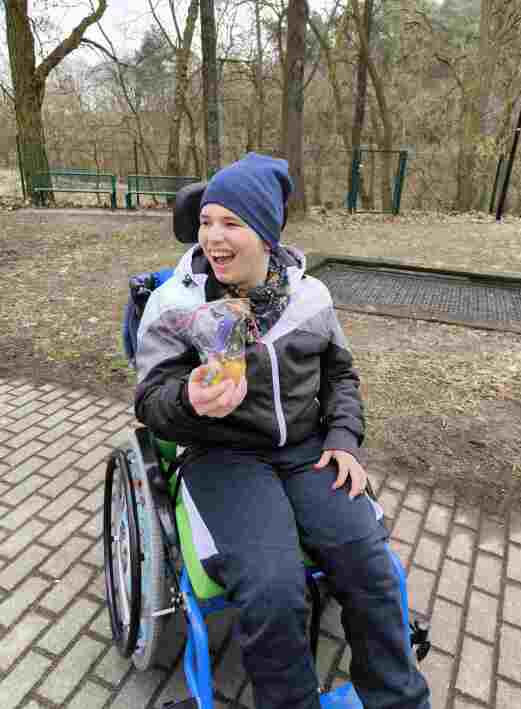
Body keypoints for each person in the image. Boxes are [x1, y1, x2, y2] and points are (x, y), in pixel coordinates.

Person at [134, 153, 430, 709]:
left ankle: (400, 699)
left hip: (306, 449)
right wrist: (191, 400)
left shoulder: (311, 297)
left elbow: (341, 373)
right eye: (206, 221)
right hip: (220, 457)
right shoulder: (174, 304)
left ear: (267, 233)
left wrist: (343, 436)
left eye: (232, 223)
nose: (213, 238)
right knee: (273, 588)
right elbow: (150, 401)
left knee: (370, 565)